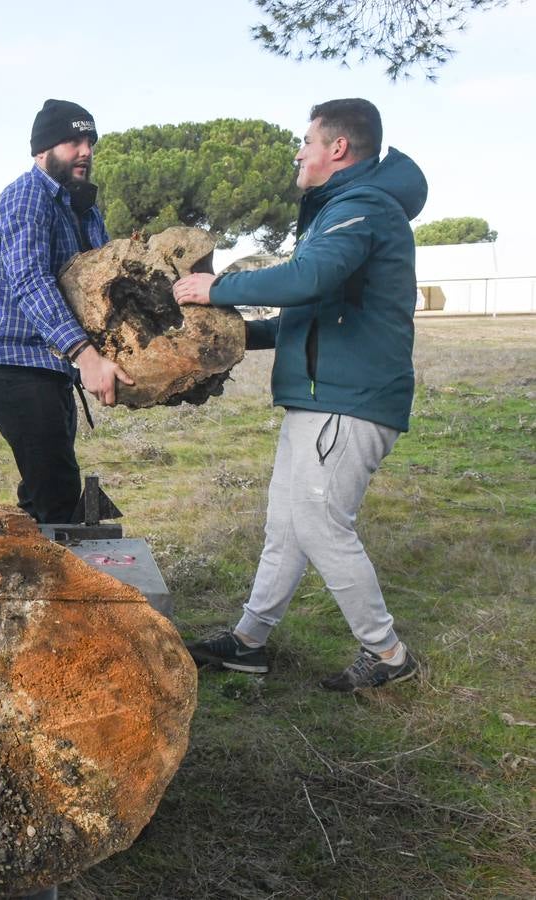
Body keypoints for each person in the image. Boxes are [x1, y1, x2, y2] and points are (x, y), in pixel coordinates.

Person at [173, 98, 426, 692]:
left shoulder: (360, 207)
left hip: (347, 400)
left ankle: (387, 653)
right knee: (286, 523)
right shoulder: (343, 211)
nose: (298, 152)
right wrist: (232, 340)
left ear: (337, 148)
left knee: (319, 524)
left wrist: (218, 289)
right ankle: (249, 641)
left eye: (306, 141)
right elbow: (311, 311)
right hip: (322, 398)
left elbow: (306, 280)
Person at [0, 99, 133, 524]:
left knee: (43, 490)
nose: (86, 150)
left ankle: (31, 571)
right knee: (58, 495)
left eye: (90, 141)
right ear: (42, 150)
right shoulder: (26, 197)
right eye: (72, 140)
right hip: (10, 363)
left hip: (50, 367)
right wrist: (87, 356)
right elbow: (30, 282)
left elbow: (106, 280)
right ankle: (69, 585)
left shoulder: (84, 208)